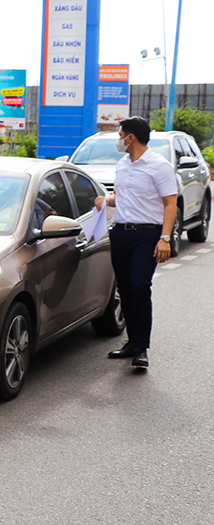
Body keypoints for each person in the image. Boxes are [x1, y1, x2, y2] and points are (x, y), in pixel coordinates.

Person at [96, 115, 178, 370]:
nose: (119, 140)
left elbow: (170, 203)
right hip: (121, 233)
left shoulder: (158, 165)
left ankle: (141, 348)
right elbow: (121, 196)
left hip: (147, 236)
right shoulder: (122, 164)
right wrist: (106, 201)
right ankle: (131, 342)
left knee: (139, 286)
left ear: (130, 138)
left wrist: (165, 238)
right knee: (126, 288)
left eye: (120, 135)